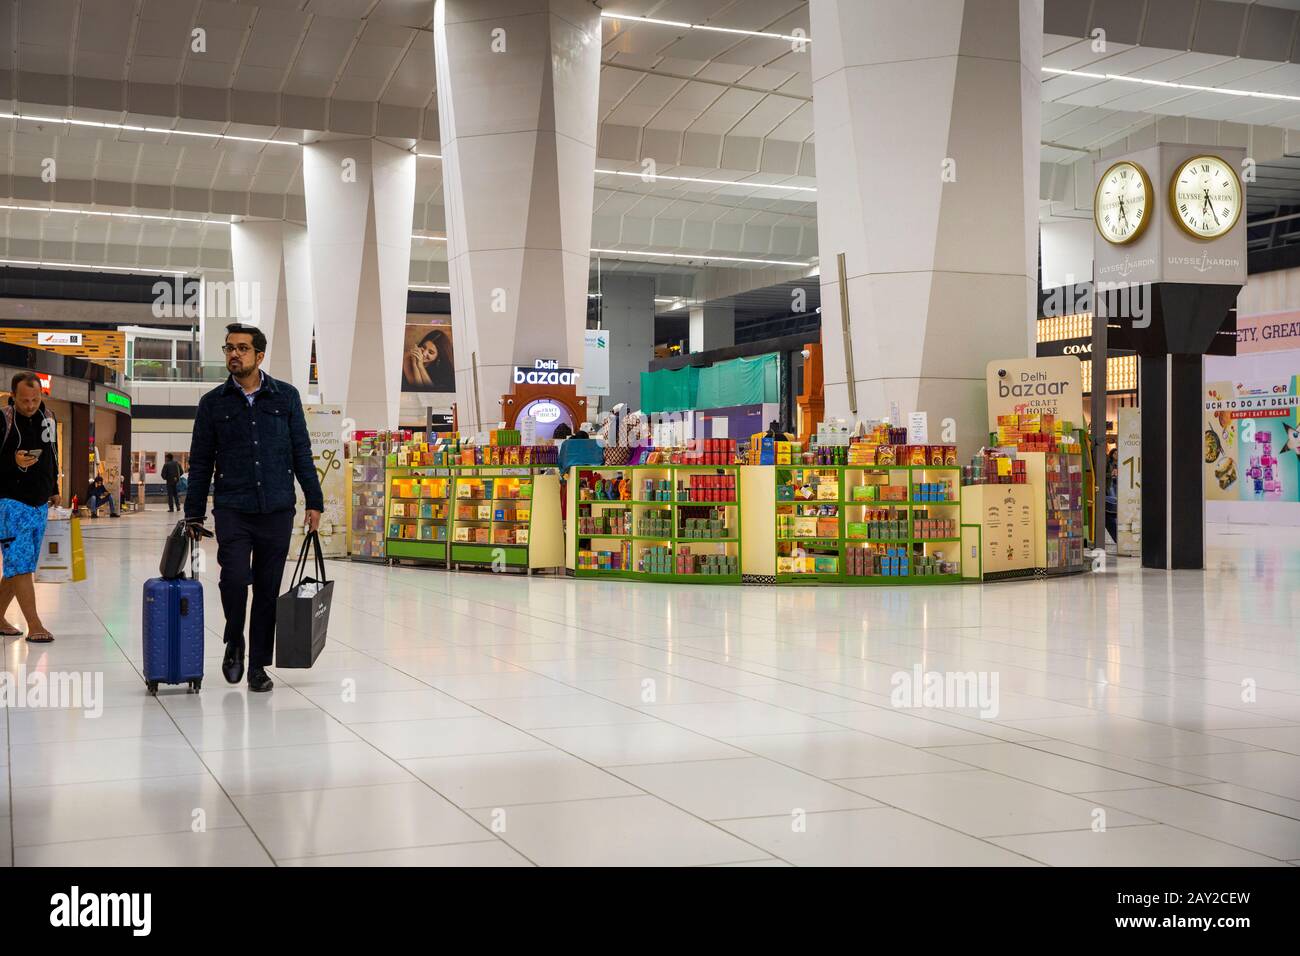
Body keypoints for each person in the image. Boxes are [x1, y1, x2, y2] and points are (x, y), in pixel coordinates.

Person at [185, 323, 323, 693]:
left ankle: (258, 665)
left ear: (259, 356)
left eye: (242, 348)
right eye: (229, 347)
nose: (234, 354)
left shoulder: (286, 397)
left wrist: (315, 500)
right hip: (233, 506)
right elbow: (200, 462)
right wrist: (193, 513)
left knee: (266, 589)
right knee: (233, 579)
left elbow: (301, 453)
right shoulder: (213, 403)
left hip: (277, 508)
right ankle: (235, 639)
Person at [0, 372, 60, 643]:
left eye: (35, 399)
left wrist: (55, 489)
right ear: (14, 396)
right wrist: (13, 461)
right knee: (21, 565)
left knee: (20, 565)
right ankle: (34, 624)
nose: (30, 404)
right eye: (24, 400)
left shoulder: (48, 417)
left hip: (39, 502)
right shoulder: (3, 419)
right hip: (10, 502)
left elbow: (52, 453)